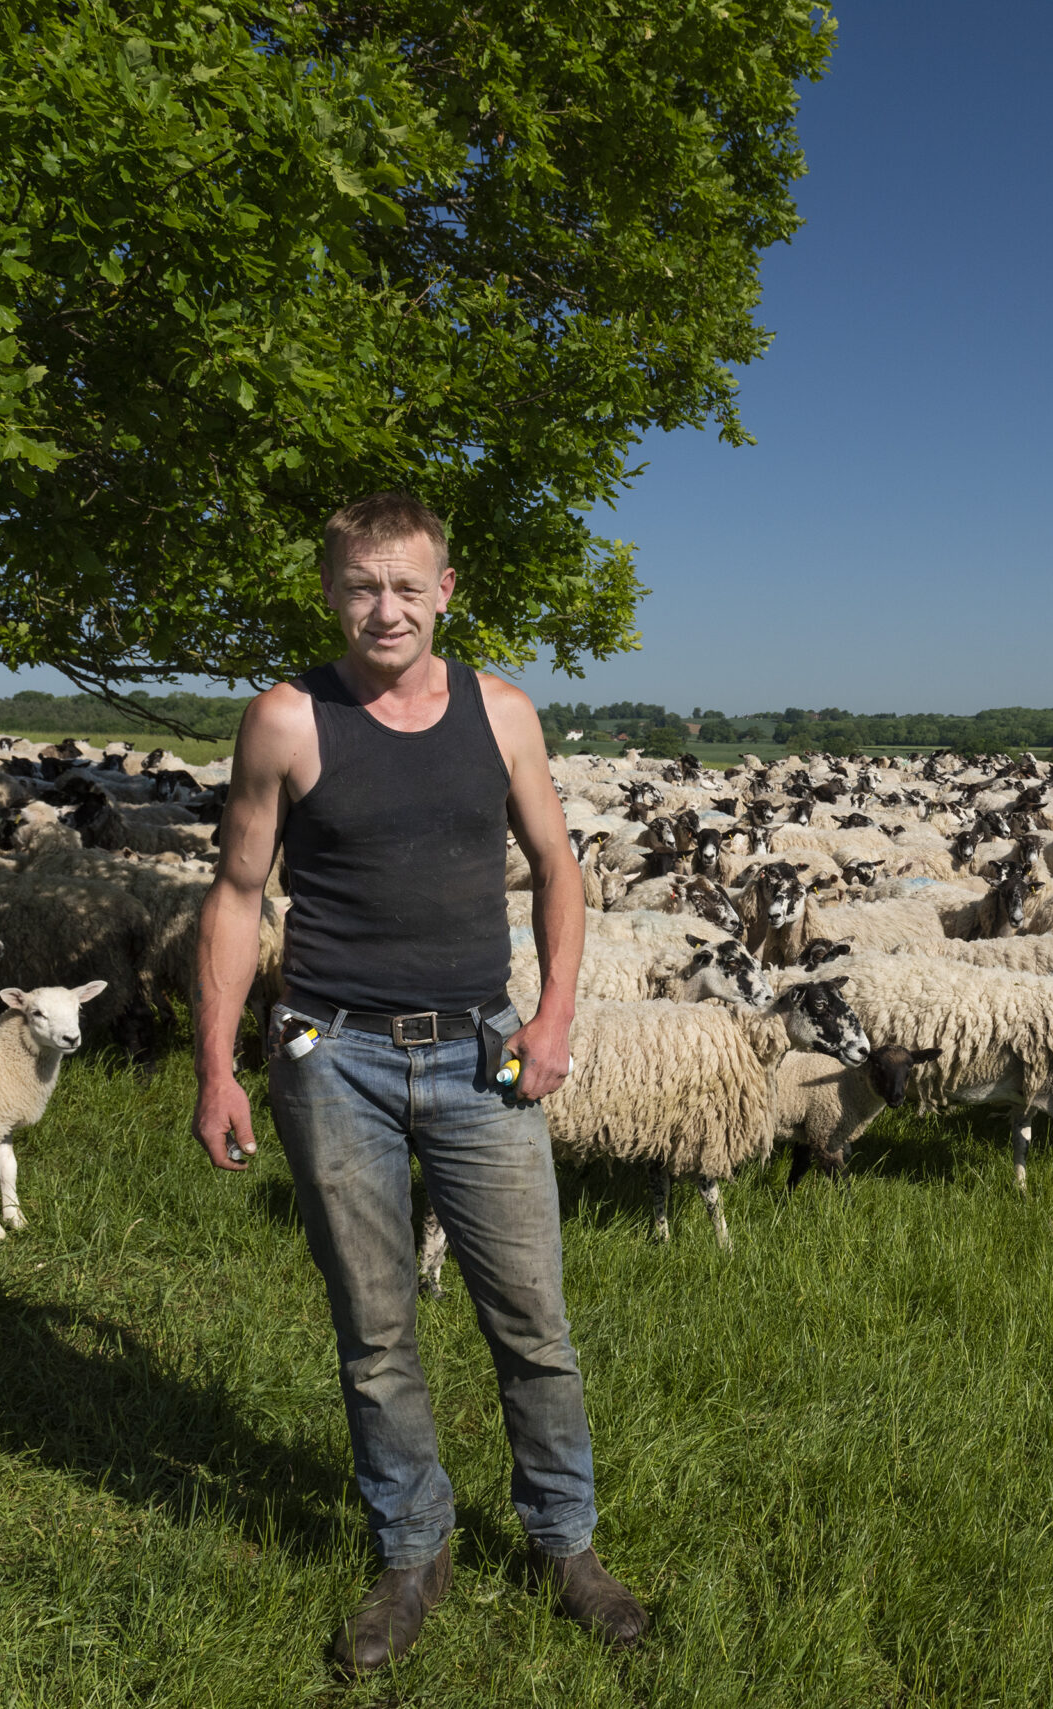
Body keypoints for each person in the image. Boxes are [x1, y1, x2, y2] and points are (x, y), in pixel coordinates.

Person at [192, 491, 647, 1674]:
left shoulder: (501, 713)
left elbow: (556, 862)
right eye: (360, 585)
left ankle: (565, 1541)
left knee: (531, 1318)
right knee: (374, 1326)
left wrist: (551, 1015)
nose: (383, 608)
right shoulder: (286, 720)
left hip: (480, 1050)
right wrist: (215, 1065)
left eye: (407, 585)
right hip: (328, 1054)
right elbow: (238, 894)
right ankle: (412, 1547)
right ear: (330, 591)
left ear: (447, 590)